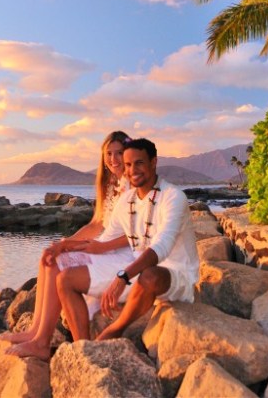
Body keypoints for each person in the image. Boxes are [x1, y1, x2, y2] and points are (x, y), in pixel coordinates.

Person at [3, 130, 133, 359]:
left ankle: (42, 342)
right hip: (105, 245)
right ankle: (36, 330)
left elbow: (136, 233)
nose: (113, 159)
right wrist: (66, 242)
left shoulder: (134, 186)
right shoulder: (111, 185)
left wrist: (70, 248)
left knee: (60, 261)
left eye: (119, 153)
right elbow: (96, 224)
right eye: (108, 154)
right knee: (51, 255)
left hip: (122, 252)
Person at [55, 137, 199, 342]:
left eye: (139, 163)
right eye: (128, 165)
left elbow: (161, 247)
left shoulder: (173, 196)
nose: (133, 170)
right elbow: (106, 239)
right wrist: (67, 247)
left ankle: (114, 330)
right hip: (134, 275)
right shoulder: (126, 200)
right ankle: (83, 346)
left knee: (149, 275)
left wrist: (121, 278)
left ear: (153, 162)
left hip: (174, 277)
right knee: (65, 278)